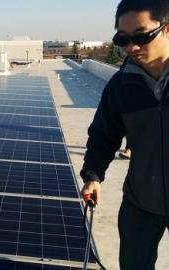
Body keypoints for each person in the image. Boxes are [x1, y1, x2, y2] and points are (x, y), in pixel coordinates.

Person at [80, 0, 169, 269]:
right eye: (123, 38)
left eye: (142, 36)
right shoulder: (121, 87)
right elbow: (103, 135)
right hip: (140, 204)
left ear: (167, 30)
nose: (131, 47)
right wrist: (93, 175)